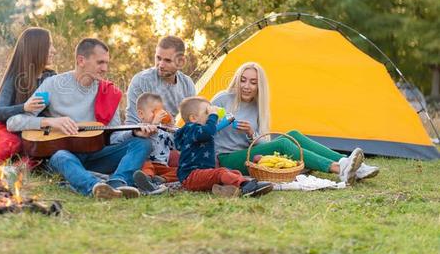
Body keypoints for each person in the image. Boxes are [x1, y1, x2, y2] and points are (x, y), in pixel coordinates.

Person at [6, 38, 156, 199]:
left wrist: (135, 133)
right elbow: (13, 122)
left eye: (106, 63)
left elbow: (114, 137)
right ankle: (94, 188)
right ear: (81, 60)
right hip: (64, 157)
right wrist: (49, 121)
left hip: (96, 154)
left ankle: (117, 184)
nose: (105, 68)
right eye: (100, 63)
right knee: (60, 156)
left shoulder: (109, 93)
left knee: (142, 144)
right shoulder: (52, 85)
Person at [212, 62, 380, 185]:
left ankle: (353, 165)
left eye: (253, 82)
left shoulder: (259, 107)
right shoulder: (222, 99)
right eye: (243, 80)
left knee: (293, 134)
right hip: (227, 159)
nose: (246, 86)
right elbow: (203, 129)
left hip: (250, 155)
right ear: (237, 80)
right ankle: (338, 168)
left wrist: (251, 134)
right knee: (284, 143)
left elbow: (263, 143)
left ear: (259, 86)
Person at [0, 27, 57, 167]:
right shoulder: (15, 77)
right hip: (3, 129)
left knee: (39, 155)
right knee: (13, 142)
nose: (54, 50)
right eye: (49, 46)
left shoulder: (51, 77)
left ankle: (10, 172)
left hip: (30, 131)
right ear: (36, 49)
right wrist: (24, 107)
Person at [174, 97, 273, 197]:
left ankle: (230, 189)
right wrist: (213, 115)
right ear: (193, 118)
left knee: (231, 172)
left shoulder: (197, 131)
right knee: (221, 173)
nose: (211, 115)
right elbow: (209, 132)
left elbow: (210, 131)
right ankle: (246, 187)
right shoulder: (191, 129)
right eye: (207, 112)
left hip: (202, 173)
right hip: (191, 176)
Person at [125, 36, 196, 125]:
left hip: (177, 135)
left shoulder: (187, 84)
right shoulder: (141, 81)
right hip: (146, 135)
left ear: (181, 62)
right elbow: (132, 122)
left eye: (167, 60)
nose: (161, 65)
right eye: (158, 58)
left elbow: (193, 120)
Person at [129, 93, 178, 194]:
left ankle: (160, 180)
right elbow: (144, 136)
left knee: (180, 171)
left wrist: (172, 127)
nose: (158, 114)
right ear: (141, 114)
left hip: (162, 166)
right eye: (154, 111)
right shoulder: (139, 128)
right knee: (146, 167)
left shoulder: (163, 131)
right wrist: (154, 124)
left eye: (160, 111)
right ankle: (146, 179)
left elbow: (175, 145)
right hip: (145, 163)